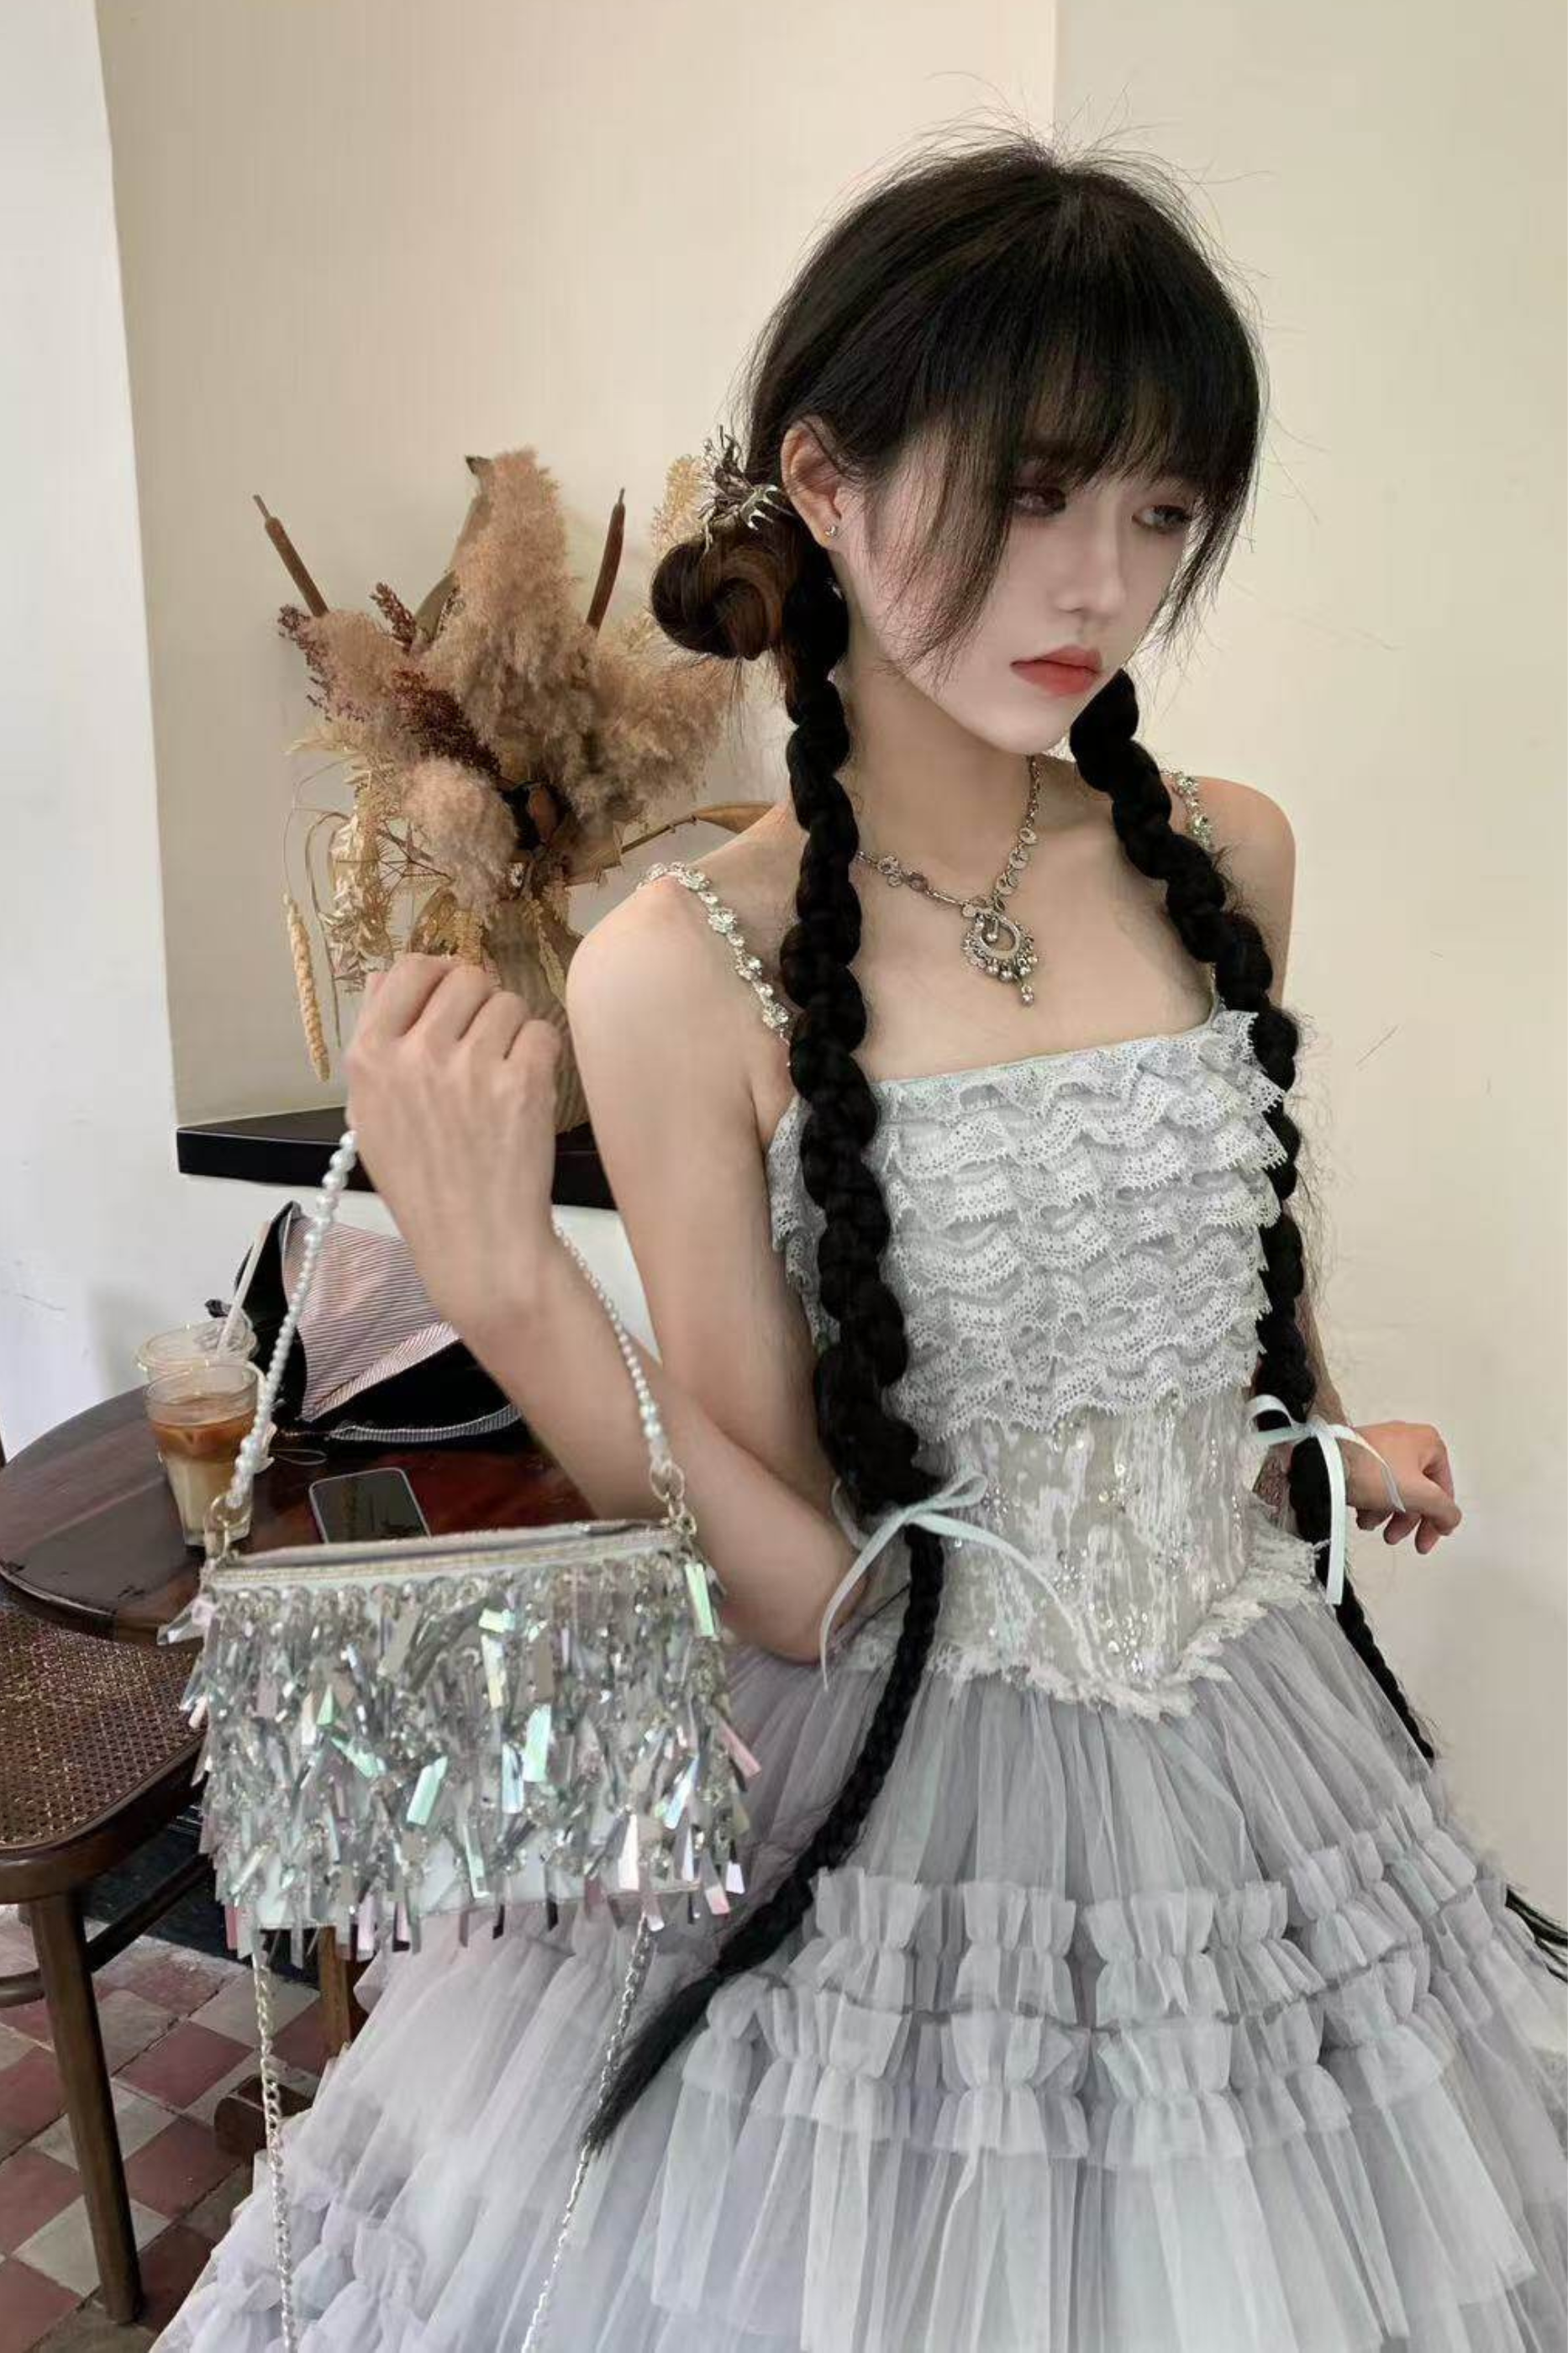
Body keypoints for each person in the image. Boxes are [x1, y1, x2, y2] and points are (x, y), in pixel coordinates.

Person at [158, 128, 1567, 2351]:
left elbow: (1231, 1265)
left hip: (1259, 1757)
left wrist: (1319, 1427)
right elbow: (807, 1593)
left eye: (1163, 510)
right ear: (820, 482)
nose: (1099, 578)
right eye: (1034, 488)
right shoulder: (677, 969)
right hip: (892, 1798)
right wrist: (511, 1289)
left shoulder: (1230, 857)